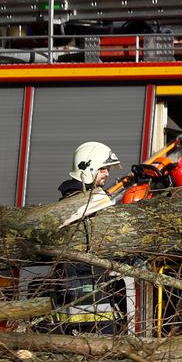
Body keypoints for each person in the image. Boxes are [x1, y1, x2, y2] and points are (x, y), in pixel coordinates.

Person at [52, 141, 123, 331]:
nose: (107, 174)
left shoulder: (90, 199)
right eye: (103, 169)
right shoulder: (78, 201)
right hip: (82, 276)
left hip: (90, 278)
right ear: (88, 168)